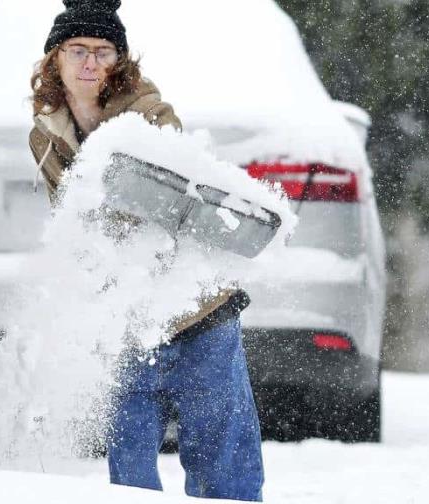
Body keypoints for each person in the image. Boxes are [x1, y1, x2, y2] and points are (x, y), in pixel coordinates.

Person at [28, 1, 264, 501]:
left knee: (222, 457)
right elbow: (70, 221)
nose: (90, 62)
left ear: (120, 60)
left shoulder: (149, 115)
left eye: (103, 51)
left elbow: (171, 206)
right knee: (130, 460)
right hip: (126, 316)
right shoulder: (45, 134)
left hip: (198, 305)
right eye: (78, 50)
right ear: (55, 59)